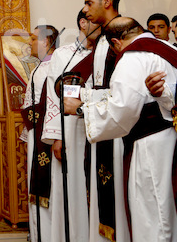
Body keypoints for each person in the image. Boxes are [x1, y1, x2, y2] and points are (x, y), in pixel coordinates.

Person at [64, 17, 177, 241]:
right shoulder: (168, 49)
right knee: (168, 208)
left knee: (152, 213)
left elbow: (122, 109)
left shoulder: (133, 57)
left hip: (149, 144)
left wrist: (81, 110)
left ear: (116, 42)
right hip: (170, 138)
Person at [42, 11, 101, 242]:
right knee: (71, 188)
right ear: (83, 23)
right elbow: (53, 97)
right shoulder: (63, 55)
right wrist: (57, 135)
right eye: (96, 22)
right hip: (71, 130)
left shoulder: (107, 52)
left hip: (100, 127)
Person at [80, 0, 130, 242]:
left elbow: (124, 89)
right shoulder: (101, 38)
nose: (85, 9)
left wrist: (82, 101)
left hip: (119, 129)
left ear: (107, 1)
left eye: (90, 3)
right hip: (102, 125)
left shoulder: (125, 32)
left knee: (119, 196)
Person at [19, 24, 58, 242]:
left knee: (47, 182)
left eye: (34, 39)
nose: (30, 43)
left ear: (45, 41)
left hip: (47, 134)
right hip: (36, 131)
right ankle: (37, 233)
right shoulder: (38, 67)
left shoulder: (53, 68)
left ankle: (47, 234)